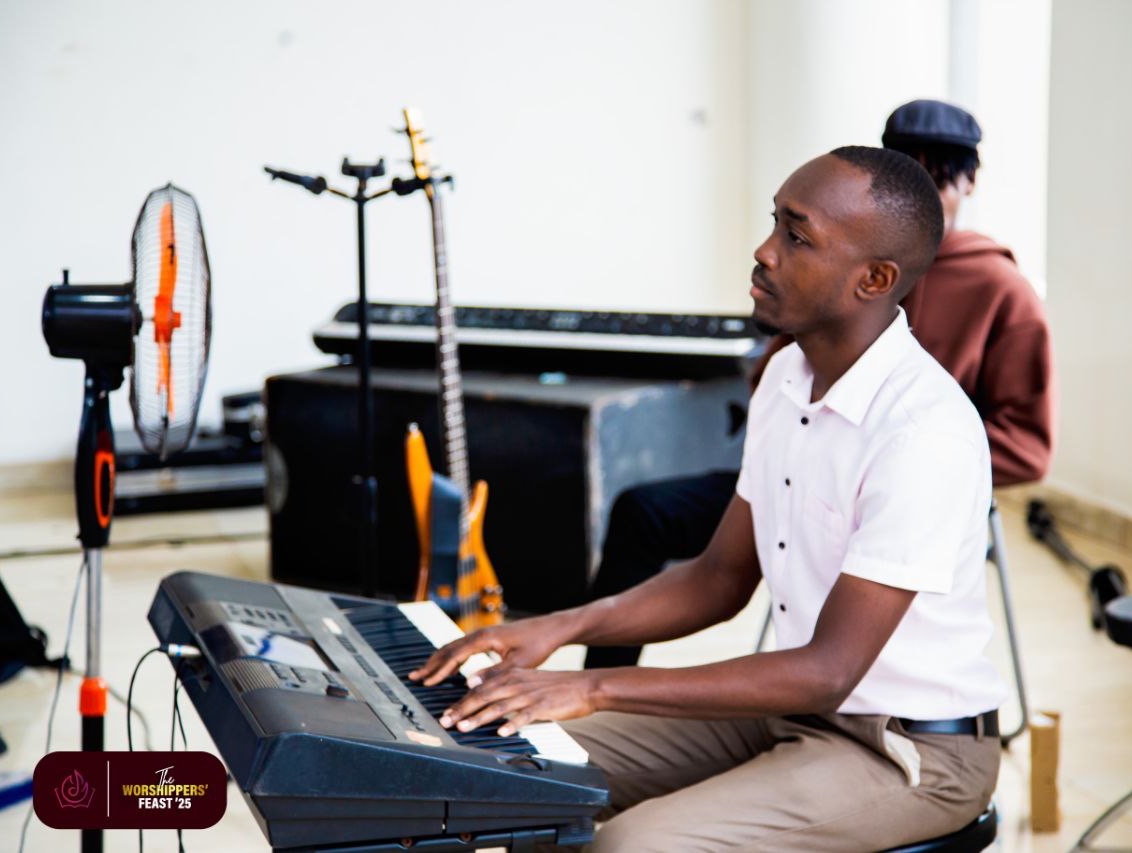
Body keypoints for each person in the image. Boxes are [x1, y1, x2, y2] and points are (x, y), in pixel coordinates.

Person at [412, 146, 1005, 850]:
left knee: (636, 845)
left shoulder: (922, 431)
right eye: (773, 223)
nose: (764, 251)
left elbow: (827, 670)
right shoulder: (788, 375)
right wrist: (557, 628)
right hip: (797, 714)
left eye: (797, 235)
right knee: (497, 757)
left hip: (909, 749)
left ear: (873, 279)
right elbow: (717, 578)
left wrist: (597, 686)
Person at [583, 98, 1053, 670]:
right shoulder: (822, 269)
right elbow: (781, 380)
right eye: (909, 169)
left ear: (970, 181)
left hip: (904, 496)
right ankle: (597, 691)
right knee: (643, 512)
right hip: (796, 472)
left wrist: (887, 456)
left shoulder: (1003, 292)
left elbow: (1028, 447)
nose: (927, 190)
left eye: (941, 177)